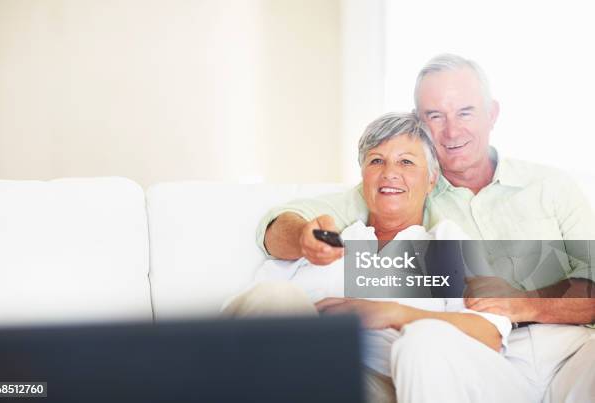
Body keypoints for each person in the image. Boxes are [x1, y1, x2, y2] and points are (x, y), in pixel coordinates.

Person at [257, 54, 595, 403]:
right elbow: (283, 225)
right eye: (435, 116)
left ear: (492, 113)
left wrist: (523, 303)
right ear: (419, 121)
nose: (451, 131)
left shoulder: (549, 186)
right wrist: (302, 237)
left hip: (573, 347)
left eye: (465, 112)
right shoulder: (403, 190)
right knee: (423, 344)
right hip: (482, 359)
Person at [225, 112, 533, 403]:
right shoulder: (328, 242)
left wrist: (395, 313)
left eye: (406, 162)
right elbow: (244, 313)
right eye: (376, 161)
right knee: (275, 298)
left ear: (431, 179)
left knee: (422, 342)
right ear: (363, 176)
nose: (390, 174)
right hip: (303, 374)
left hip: (392, 385)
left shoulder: (446, 242)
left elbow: (489, 334)